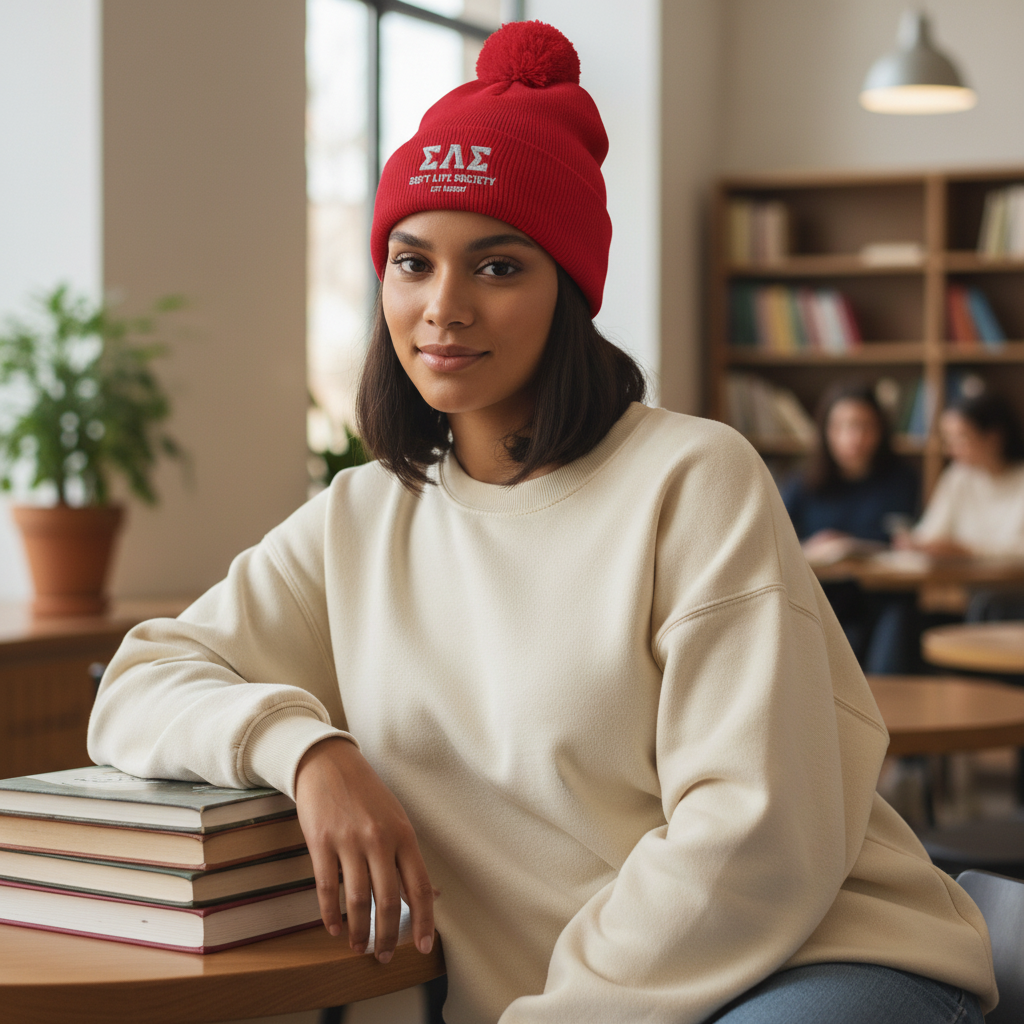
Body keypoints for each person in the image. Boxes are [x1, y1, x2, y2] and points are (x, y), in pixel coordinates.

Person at [87, 21, 996, 1024]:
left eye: (498, 266)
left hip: (807, 960)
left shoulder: (690, 478)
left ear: (569, 286)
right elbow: (137, 686)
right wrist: (305, 751)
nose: (442, 307)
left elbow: (754, 834)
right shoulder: (361, 516)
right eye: (410, 261)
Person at [781, 382, 920, 673]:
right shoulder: (803, 483)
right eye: (841, 427)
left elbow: (907, 540)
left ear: (880, 431)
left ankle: (892, 708)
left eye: (863, 427)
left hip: (882, 598)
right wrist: (814, 546)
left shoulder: (901, 480)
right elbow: (776, 539)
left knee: (896, 619)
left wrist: (853, 544)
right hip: (823, 597)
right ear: (825, 431)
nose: (853, 437)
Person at [904, 390, 1024, 621]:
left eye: (961, 438)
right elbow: (930, 534)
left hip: (1012, 598)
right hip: (972, 597)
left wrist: (967, 551)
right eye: (948, 439)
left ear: (993, 437)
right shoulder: (958, 478)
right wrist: (919, 545)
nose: (950, 450)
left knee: (987, 606)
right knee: (903, 615)